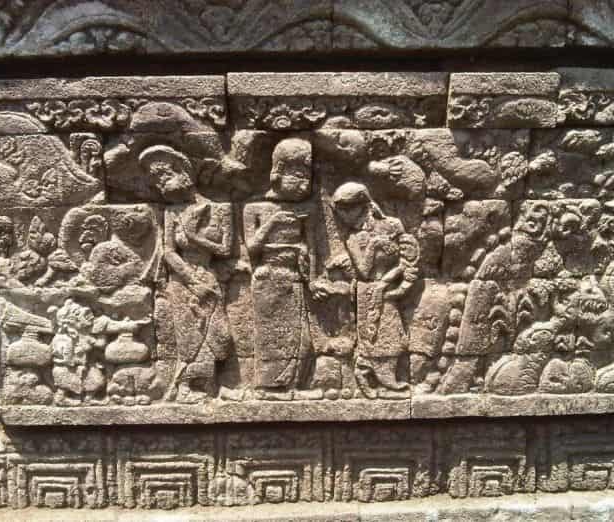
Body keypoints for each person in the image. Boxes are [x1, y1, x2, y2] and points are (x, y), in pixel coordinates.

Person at [140, 145, 233, 402]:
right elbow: (169, 252)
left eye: (164, 175)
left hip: (208, 274)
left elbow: (225, 249)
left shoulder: (220, 209)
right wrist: (192, 282)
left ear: (182, 171)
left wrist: (194, 236)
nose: (160, 184)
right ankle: (186, 388)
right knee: (189, 337)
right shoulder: (171, 212)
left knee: (218, 334)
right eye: (156, 180)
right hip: (182, 281)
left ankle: (211, 384)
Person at [243, 138, 316, 397]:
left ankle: (293, 385)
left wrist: (310, 273)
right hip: (267, 278)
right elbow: (252, 247)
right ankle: (267, 387)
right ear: (278, 171)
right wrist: (273, 222)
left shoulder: (305, 210)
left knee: (303, 340)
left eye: (307, 176)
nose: (304, 183)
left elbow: (311, 249)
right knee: (271, 336)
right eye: (297, 175)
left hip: (294, 278)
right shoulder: (254, 208)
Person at [332, 182, 420, 398]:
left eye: (347, 209)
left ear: (363, 205)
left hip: (388, 287)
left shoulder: (393, 225)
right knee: (375, 337)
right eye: (340, 211)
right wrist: (374, 245)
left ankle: (369, 371)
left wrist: (390, 281)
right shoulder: (353, 238)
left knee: (394, 334)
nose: (343, 216)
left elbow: (407, 257)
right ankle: (373, 374)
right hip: (368, 290)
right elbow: (363, 271)